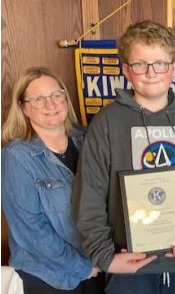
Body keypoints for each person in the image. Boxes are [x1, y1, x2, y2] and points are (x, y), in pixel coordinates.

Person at [71, 20, 175, 294]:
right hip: (129, 266)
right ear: (126, 69)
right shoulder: (106, 122)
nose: (151, 73)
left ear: (173, 68)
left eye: (160, 63)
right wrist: (106, 257)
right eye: (140, 64)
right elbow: (89, 195)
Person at [1, 67, 104, 293]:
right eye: (39, 99)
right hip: (51, 278)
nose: (51, 104)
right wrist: (83, 267)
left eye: (56, 95)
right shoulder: (16, 156)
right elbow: (31, 232)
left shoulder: (88, 139)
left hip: (97, 266)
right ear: (24, 108)